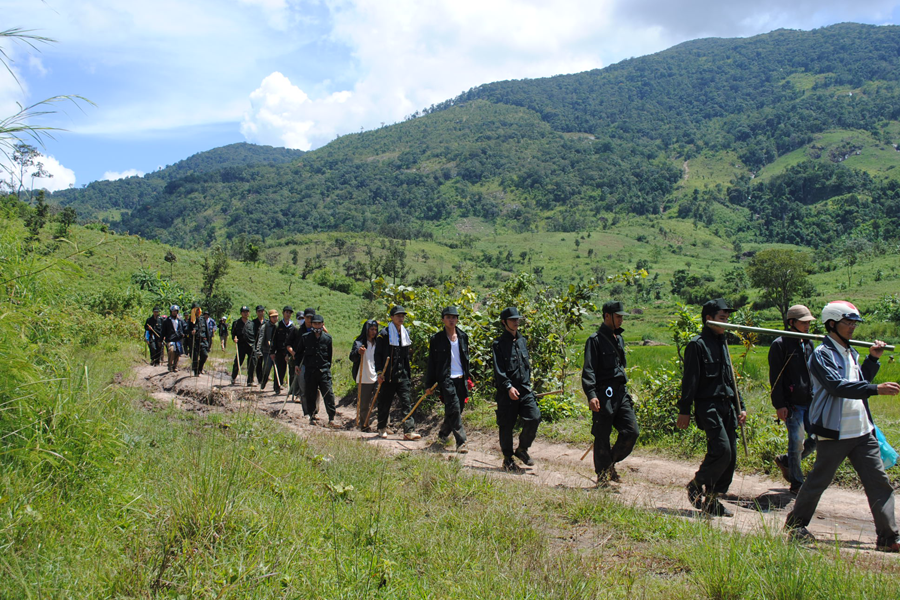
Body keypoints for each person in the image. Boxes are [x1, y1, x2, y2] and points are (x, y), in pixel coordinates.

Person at [784, 301, 900, 552]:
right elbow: (837, 387)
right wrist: (875, 390)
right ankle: (795, 526)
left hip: (862, 430)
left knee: (879, 483)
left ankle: (889, 537)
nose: (852, 328)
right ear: (832, 324)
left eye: (854, 323)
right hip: (835, 432)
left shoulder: (851, 352)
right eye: (848, 323)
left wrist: (872, 359)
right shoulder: (822, 355)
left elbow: (860, 381)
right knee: (818, 481)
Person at [676, 298, 747, 517]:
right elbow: (690, 381)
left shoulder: (723, 343)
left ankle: (713, 500)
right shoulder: (697, 345)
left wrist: (740, 406)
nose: (726, 323)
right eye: (722, 319)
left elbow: (730, 379)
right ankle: (697, 483)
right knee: (722, 450)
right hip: (708, 406)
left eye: (727, 319)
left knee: (732, 455)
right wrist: (684, 410)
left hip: (727, 406)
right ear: (709, 319)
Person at [581, 301, 640, 486]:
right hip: (603, 393)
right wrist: (591, 394)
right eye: (618, 316)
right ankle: (603, 476)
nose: (621, 319)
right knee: (602, 435)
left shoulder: (619, 339)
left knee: (632, 432)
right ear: (607, 316)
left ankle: (610, 463)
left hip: (620, 393)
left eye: (622, 316)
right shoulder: (595, 340)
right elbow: (589, 369)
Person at [769, 304, 817, 494]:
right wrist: (780, 404)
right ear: (792, 322)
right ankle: (797, 483)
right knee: (796, 442)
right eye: (803, 322)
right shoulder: (780, 345)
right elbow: (776, 377)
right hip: (792, 403)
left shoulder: (808, 343)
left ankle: (788, 461)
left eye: (808, 322)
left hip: (810, 401)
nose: (807, 326)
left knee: (815, 439)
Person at [492, 307, 541, 473]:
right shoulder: (498, 345)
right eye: (512, 319)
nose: (516, 322)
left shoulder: (522, 341)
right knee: (506, 426)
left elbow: (526, 367)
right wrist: (508, 387)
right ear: (504, 322)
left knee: (534, 417)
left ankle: (522, 449)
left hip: (525, 390)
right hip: (508, 392)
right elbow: (499, 371)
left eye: (517, 319)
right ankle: (508, 459)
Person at [425, 306, 473, 453]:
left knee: (455, 411)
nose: (452, 320)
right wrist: (429, 384)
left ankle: (443, 434)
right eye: (448, 317)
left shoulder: (463, 337)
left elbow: (466, 360)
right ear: (443, 319)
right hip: (446, 379)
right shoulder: (436, 339)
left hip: (461, 378)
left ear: (457, 319)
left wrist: (469, 378)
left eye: (454, 317)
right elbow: (432, 363)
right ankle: (461, 442)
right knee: (454, 408)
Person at [374, 306, 421, 440]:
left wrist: (408, 373)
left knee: (407, 402)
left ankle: (409, 431)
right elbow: (377, 355)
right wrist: (379, 372)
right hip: (387, 375)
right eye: (398, 316)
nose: (401, 318)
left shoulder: (405, 333)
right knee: (384, 403)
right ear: (392, 317)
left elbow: (406, 356)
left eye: (402, 316)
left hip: (403, 375)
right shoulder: (384, 334)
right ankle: (382, 427)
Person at [296, 314, 337, 427]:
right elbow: (299, 353)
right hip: (310, 371)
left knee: (328, 394)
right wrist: (296, 365)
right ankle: (312, 416)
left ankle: (331, 418)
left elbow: (329, 356)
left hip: (323, 371)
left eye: (319, 323)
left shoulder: (327, 339)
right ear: (311, 324)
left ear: (322, 324)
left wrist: (327, 368)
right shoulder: (305, 338)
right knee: (310, 394)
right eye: (315, 323)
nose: (317, 326)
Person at [350, 319, 379, 431]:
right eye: (371, 329)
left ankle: (384, 425)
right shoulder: (359, 343)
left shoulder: (378, 343)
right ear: (366, 330)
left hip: (377, 375)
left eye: (375, 329)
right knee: (364, 404)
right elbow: (352, 357)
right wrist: (358, 352)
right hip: (364, 376)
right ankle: (364, 424)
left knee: (382, 400)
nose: (374, 332)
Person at [288, 308, 316, 407]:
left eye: (311, 317)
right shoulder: (297, 330)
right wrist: (293, 354)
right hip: (300, 358)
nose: (309, 319)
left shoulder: (317, 329)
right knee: (300, 378)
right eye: (307, 317)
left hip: (313, 359)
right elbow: (288, 344)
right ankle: (298, 394)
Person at [256, 309, 281, 392]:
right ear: (270, 317)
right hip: (267, 351)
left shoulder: (279, 326)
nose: (275, 318)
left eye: (276, 316)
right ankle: (263, 382)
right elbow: (261, 338)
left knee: (277, 369)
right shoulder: (265, 326)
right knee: (267, 368)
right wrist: (258, 350)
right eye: (273, 317)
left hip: (277, 351)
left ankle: (277, 387)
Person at [187, 303, 212, 376]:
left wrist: (208, 342)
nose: (198, 311)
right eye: (196, 309)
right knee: (194, 357)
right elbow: (187, 330)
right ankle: (196, 371)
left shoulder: (202, 319)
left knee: (205, 355)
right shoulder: (191, 320)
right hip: (194, 341)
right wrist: (191, 332)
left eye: (198, 309)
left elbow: (207, 331)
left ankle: (200, 368)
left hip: (203, 341)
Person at [231, 306, 252, 385]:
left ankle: (249, 381)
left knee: (251, 364)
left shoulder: (251, 323)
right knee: (238, 362)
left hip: (250, 346)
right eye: (244, 312)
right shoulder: (236, 323)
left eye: (247, 312)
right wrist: (234, 339)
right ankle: (233, 377)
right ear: (241, 313)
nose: (245, 313)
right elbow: (233, 334)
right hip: (241, 346)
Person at [162, 304, 185, 372]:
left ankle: (175, 366)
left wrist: (183, 334)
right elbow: (163, 331)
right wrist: (161, 340)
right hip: (170, 339)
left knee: (177, 353)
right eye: (173, 311)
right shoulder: (167, 321)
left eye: (176, 311)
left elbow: (184, 328)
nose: (174, 312)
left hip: (178, 339)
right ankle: (170, 365)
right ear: (171, 312)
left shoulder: (180, 320)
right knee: (171, 351)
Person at [247, 305, 266, 386]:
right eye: (259, 311)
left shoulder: (266, 322)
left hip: (264, 346)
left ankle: (260, 380)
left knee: (261, 363)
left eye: (262, 311)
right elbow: (251, 334)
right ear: (256, 312)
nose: (260, 313)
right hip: (254, 345)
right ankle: (250, 380)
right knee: (253, 363)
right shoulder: (253, 323)